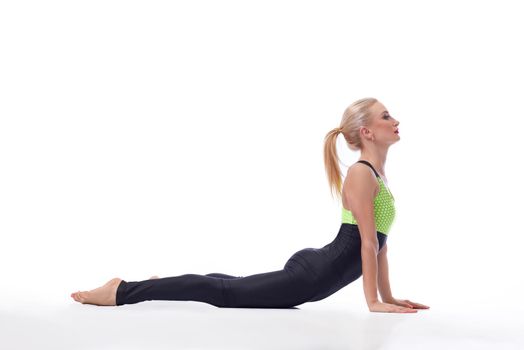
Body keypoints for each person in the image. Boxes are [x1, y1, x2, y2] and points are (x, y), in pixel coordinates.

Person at [71, 97, 430, 313]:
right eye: (386, 116)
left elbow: (381, 246)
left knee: (234, 286)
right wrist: (373, 303)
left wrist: (390, 296)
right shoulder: (361, 174)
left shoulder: (376, 176)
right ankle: (120, 292)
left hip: (316, 269)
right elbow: (367, 243)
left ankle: (164, 283)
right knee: (223, 293)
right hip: (311, 276)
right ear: (366, 132)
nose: (395, 120)